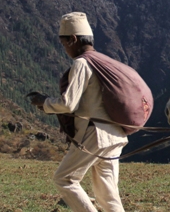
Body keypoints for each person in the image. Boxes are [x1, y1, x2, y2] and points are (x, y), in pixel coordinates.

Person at [28, 12, 128, 212]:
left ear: (73, 39)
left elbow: (68, 104)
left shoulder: (82, 63)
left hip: (94, 134)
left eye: (64, 44)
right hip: (116, 133)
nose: (65, 49)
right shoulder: (103, 61)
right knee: (108, 196)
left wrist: (44, 102)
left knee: (64, 179)